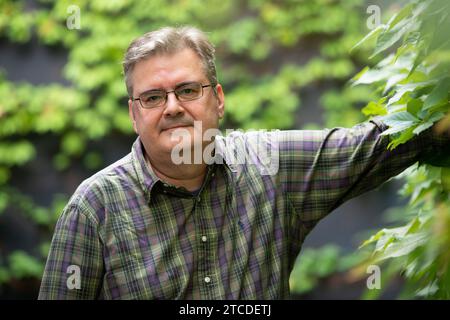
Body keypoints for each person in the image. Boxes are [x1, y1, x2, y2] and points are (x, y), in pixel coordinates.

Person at [38, 26, 449, 299]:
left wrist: (438, 120)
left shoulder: (271, 167)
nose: (173, 107)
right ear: (134, 114)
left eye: (187, 90)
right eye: (153, 97)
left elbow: (381, 144)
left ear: (218, 99)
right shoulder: (94, 207)